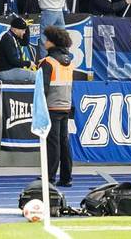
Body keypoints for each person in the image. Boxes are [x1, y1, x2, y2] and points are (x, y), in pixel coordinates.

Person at [40, 25, 89, 187]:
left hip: (51, 107)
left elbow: (43, 88)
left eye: (47, 39)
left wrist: (40, 108)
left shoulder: (48, 62)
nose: (45, 42)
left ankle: (49, 177)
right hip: (65, 105)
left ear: (52, 42)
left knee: (53, 143)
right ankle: (66, 177)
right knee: (64, 143)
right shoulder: (69, 61)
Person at [0, 17, 36, 82]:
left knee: (35, 74)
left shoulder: (13, 36)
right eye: (23, 30)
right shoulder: (8, 39)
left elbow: (25, 42)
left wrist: (27, 27)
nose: (24, 32)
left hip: (11, 69)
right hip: (6, 71)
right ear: (15, 29)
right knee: (34, 75)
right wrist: (28, 63)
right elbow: (13, 61)